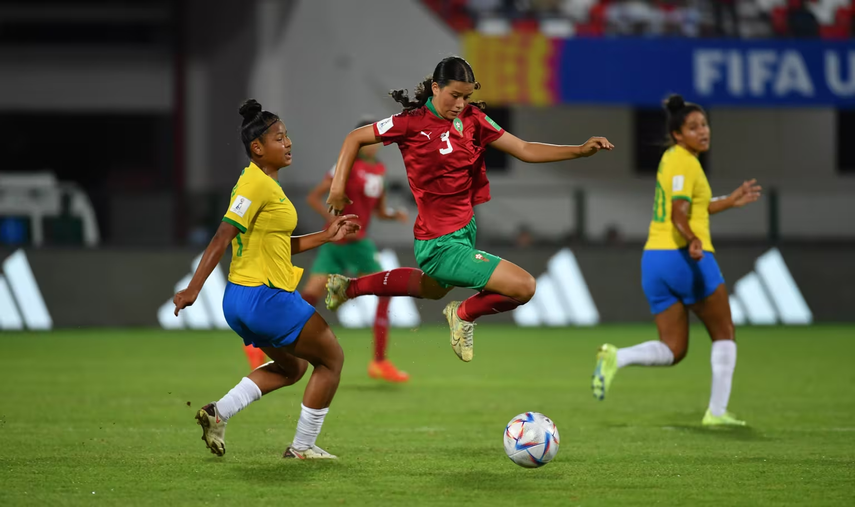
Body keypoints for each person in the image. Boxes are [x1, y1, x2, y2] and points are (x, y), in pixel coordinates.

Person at [324, 56, 613, 363]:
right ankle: (462, 314)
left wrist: (579, 151)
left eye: (466, 96)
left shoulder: (473, 119)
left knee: (431, 289)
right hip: (438, 243)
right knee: (524, 287)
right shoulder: (410, 123)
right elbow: (355, 137)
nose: (460, 103)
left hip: (464, 230)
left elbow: (524, 148)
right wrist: (337, 188)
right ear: (436, 88)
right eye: (454, 95)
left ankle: (349, 288)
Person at [174, 99, 361, 459]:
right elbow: (222, 236)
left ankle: (218, 412)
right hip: (264, 298)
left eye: (287, 136)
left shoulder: (262, 185)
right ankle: (303, 447)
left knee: (293, 368)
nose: (288, 143)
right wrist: (193, 289)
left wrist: (326, 235)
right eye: (279, 138)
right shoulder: (255, 185)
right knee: (332, 360)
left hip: (241, 300)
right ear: (257, 148)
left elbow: (277, 245)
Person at [591, 94, 761, 427]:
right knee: (724, 332)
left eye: (705, 124)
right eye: (694, 127)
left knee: (673, 349)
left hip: (654, 261)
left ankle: (617, 357)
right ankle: (717, 412)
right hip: (684, 257)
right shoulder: (686, 162)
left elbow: (695, 206)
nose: (703, 131)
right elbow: (679, 213)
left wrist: (729, 201)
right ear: (678, 134)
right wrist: (694, 239)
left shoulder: (671, 159)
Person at [303, 116, 410, 383]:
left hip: (359, 243)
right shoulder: (346, 163)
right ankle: (267, 345)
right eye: (371, 138)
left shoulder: (379, 170)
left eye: (379, 139)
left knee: (386, 292)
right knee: (307, 299)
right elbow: (314, 197)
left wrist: (393, 214)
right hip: (335, 243)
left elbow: (379, 211)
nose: (376, 143)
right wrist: (334, 221)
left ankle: (379, 362)